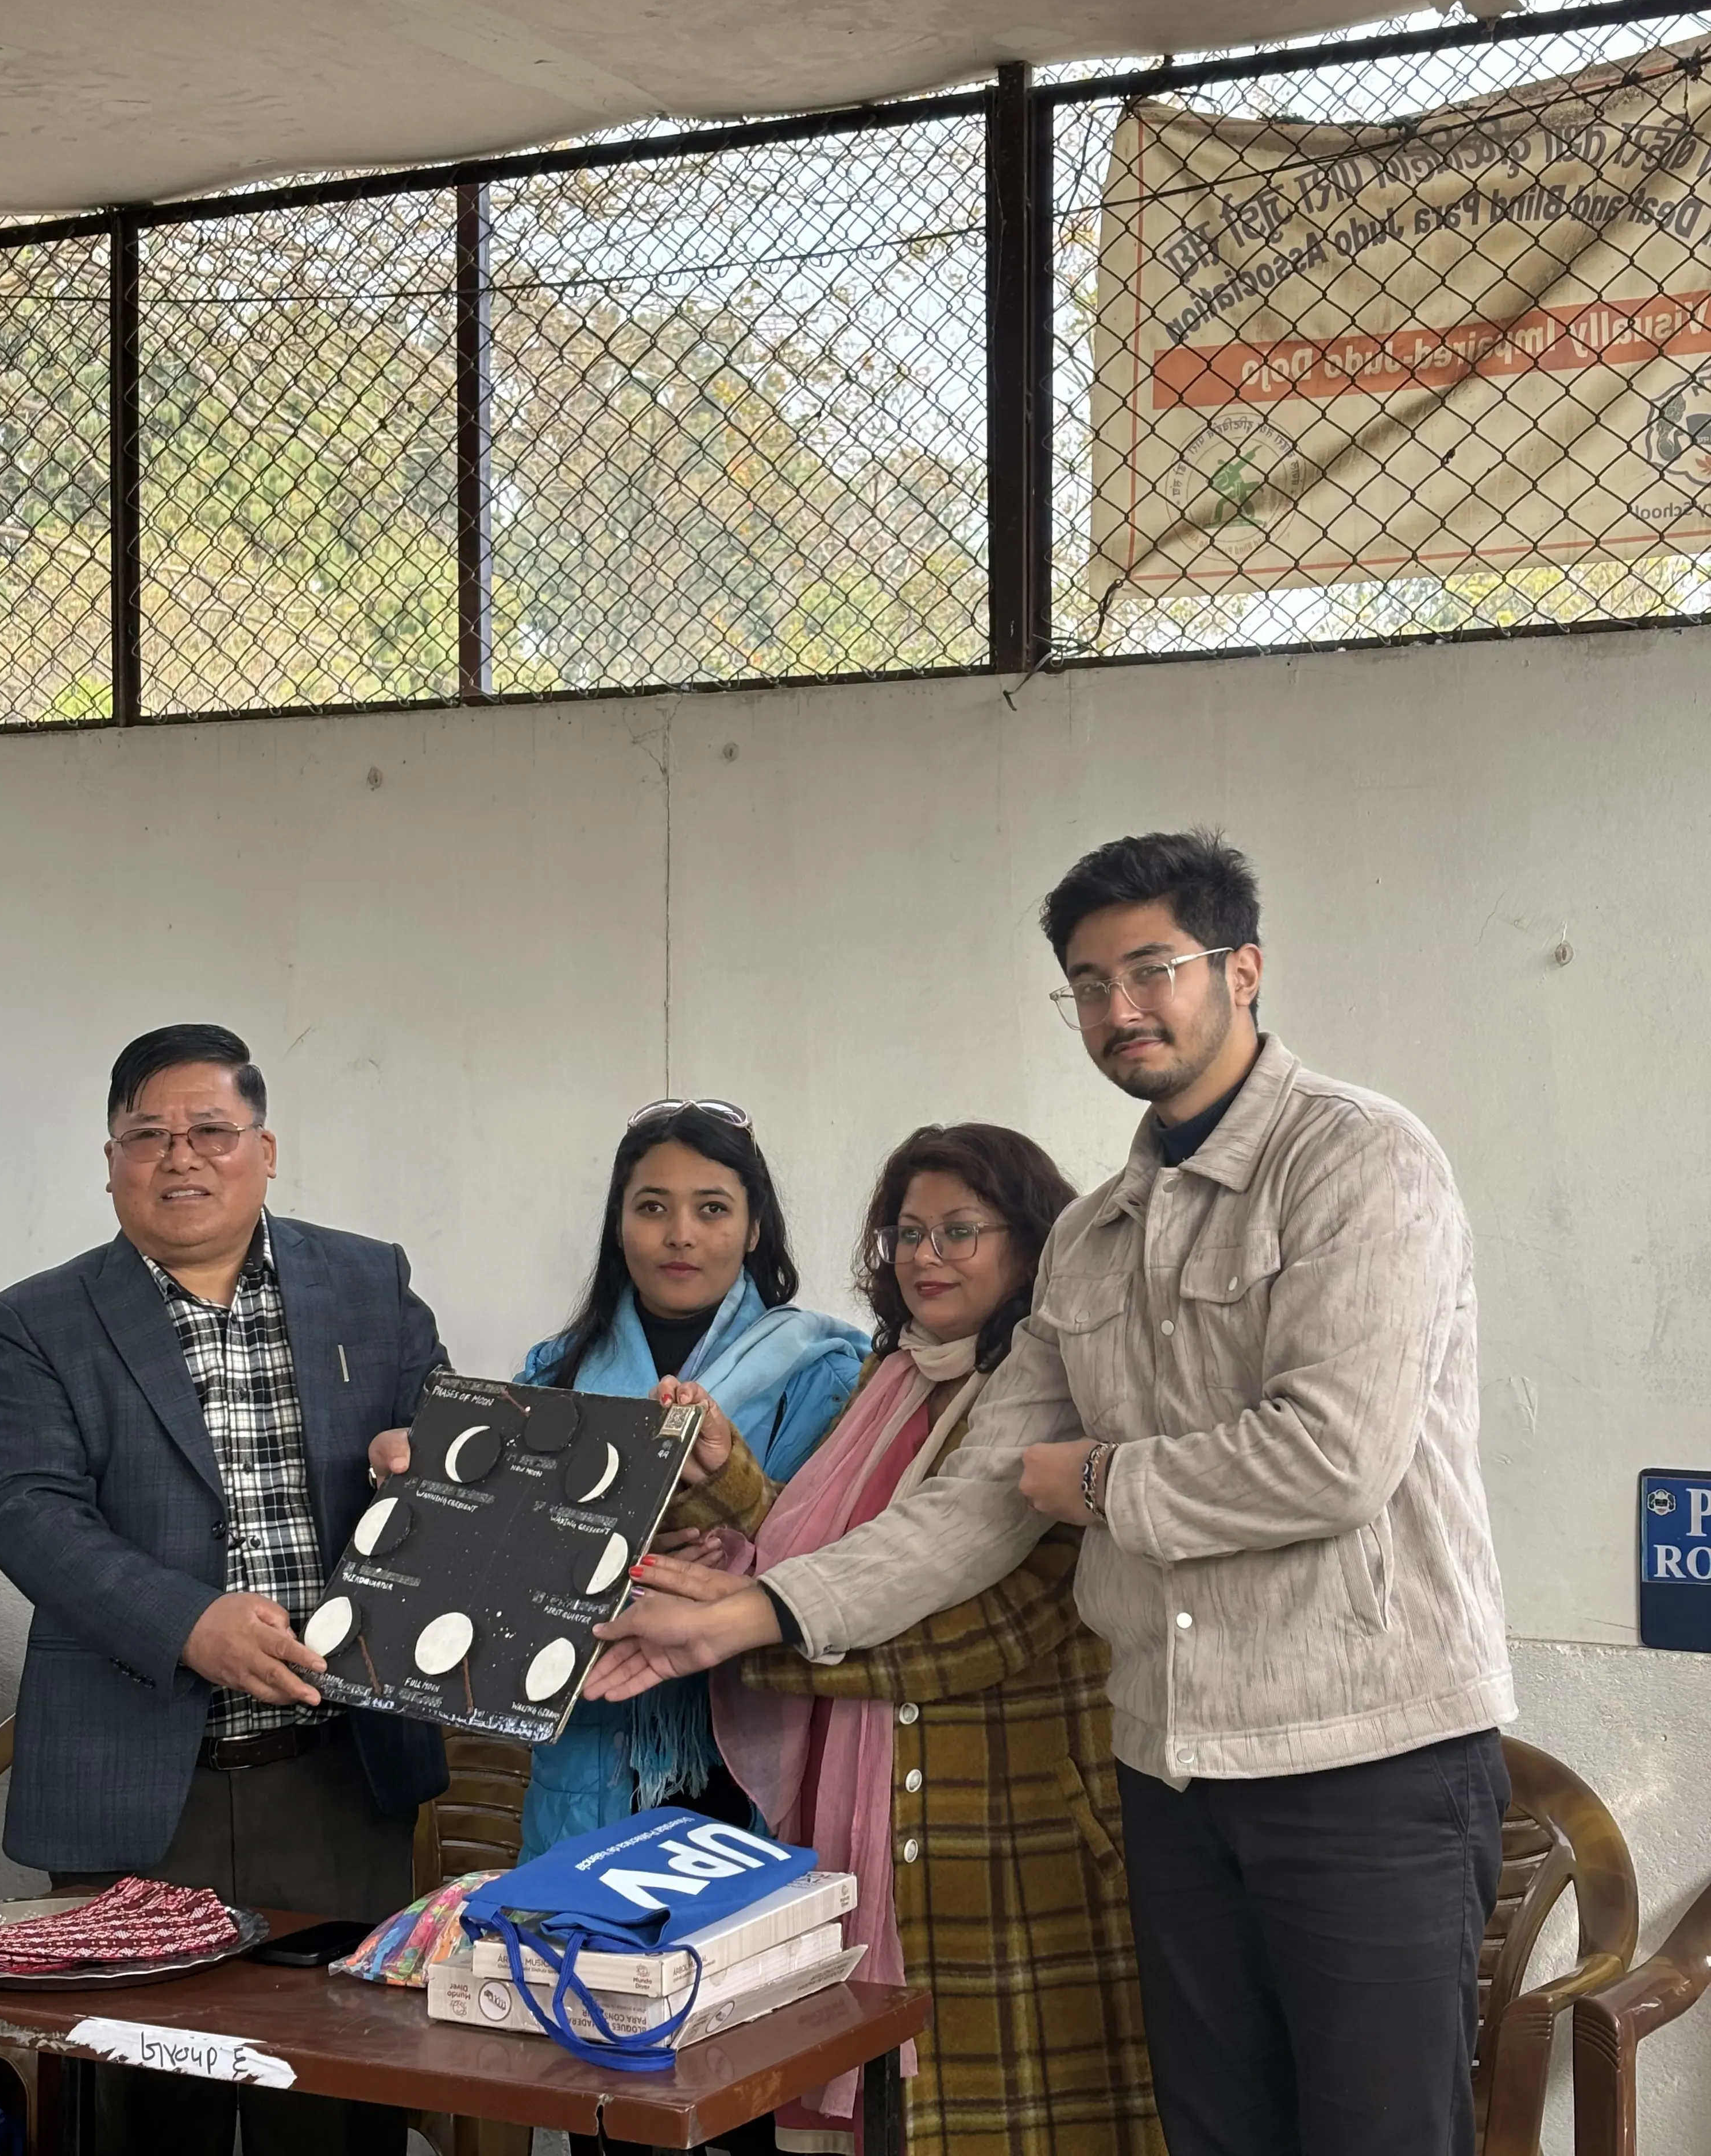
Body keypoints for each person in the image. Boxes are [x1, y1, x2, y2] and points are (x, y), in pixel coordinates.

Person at [586, 832, 1515, 2156]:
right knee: (1215, 2131)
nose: (1119, 1010)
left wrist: (1090, 1479)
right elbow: (972, 1502)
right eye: (1087, 983)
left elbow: (1329, 1460)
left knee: (1380, 2134)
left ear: (1243, 971)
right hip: (1168, 1766)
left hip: (1363, 1757)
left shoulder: (1361, 1161)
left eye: (1154, 970)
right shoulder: (1094, 1237)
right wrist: (748, 1615)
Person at [0, 1023, 449, 2156]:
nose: (180, 1156)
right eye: (148, 1133)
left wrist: (418, 1462)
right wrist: (187, 1626)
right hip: (138, 1792)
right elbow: (29, 1515)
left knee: (335, 2114)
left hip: (335, 1778)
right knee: (142, 2119)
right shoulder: (28, 1325)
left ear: (266, 1150)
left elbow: (446, 1442)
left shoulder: (370, 1281)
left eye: (211, 1131)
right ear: (110, 1159)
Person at [645, 1123, 1159, 2154]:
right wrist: (734, 1477)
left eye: (960, 1231)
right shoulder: (896, 1377)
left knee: (1014, 2127)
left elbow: (992, 1626)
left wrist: (739, 1638)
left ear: (1034, 1245)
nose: (926, 1257)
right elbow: (844, 1558)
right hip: (876, 1814)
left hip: (1011, 1834)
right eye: (908, 1233)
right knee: (886, 2118)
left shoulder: (1064, 1391)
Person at [366, 1100, 864, 1862]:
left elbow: (820, 1554)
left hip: (749, 1737)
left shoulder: (822, 1371)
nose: (681, 1234)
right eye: (652, 1207)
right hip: (587, 1736)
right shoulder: (553, 1374)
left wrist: (618, 1537)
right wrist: (434, 1488)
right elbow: (498, 1566)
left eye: (713, 1208)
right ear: (618, 1223)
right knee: (580, 1965)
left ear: (755, 1227)